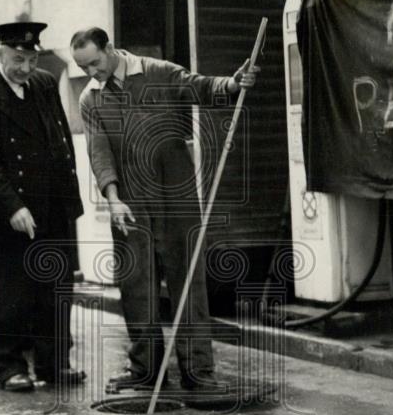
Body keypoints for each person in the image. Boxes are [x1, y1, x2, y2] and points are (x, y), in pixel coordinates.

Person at [71, 27, 257, 393]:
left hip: (176, 193)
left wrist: (233, 85)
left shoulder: (158, 72)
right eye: (83, 68)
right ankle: (145, 371)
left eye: (94, 63)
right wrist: (112, 197)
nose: (92, 73)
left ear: (110, 49)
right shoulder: (91, 99)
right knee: (136, 285)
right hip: (129, 201)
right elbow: (99, 152)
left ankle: (198, 372)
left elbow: (201, 87)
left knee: (188, 279)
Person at [0, 21, 85, 392]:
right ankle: (10, 365)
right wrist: (12, 207)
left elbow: (60, 137)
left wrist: (70, 196)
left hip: (53, 204)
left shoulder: (45, 84)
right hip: (12, 213)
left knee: (56, 288)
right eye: (18, 59)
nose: (26, 68)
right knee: (13, 291)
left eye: (32, 59)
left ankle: (54, 363)